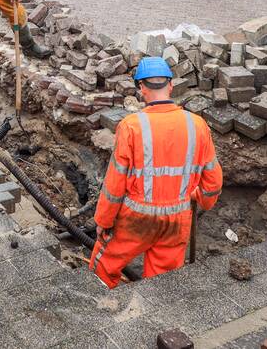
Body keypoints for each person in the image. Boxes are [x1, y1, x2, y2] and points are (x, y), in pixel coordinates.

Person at [89, 57, 223, 289]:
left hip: (136, 219)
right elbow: (213, 181)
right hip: (177, 219)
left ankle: (98, 312)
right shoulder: (197, 125)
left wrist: (103, 220)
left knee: (103, 268)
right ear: (170, 85)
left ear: (141, 88)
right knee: (162, 283)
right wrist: (202, 199)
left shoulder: (131, 126)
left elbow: (115, 182)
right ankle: (155, 318)